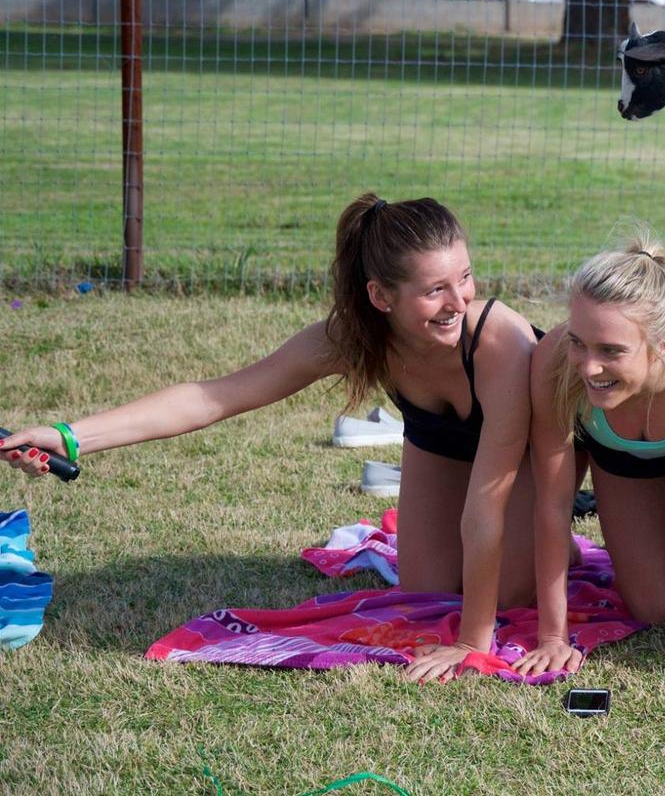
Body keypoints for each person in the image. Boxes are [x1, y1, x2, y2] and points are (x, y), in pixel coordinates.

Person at [1, 194, 557, 681]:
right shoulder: (353, 338)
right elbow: (215, 396)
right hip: (439, 445)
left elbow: (487, 501)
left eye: (464, 278)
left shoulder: (496, 338)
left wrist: (471, 641)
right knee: (427, 592)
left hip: (527, 456)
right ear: (382, 298)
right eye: (436, 289)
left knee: (502, 596)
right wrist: (69, 436)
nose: (459, 301)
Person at [428, 235, 665, 686]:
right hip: (625, 455)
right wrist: (553, 636)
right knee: (654, 607)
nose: (589, 367)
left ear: (662, 344)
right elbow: (554, 505)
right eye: (580, 342)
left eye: (611, 351)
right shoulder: (556, 361)